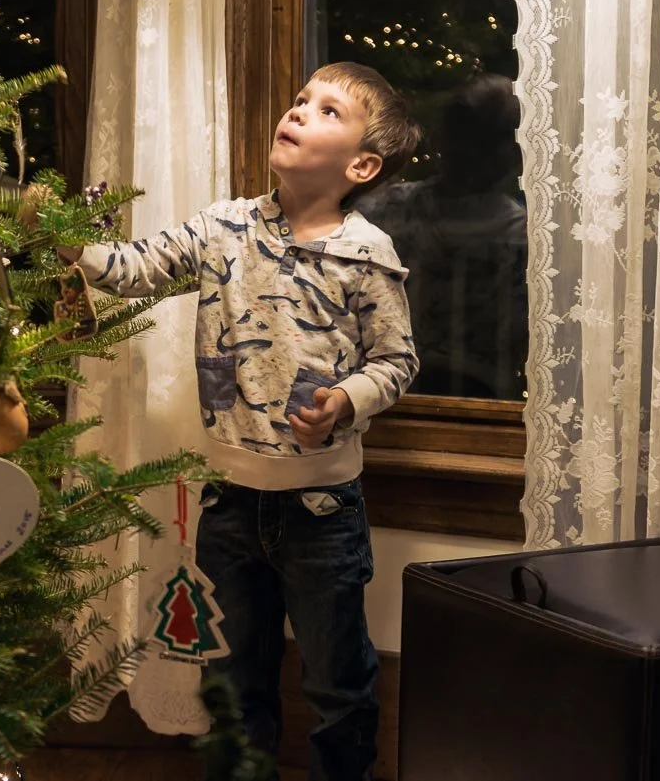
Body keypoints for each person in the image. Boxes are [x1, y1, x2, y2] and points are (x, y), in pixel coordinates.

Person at [58, 61, 420, 780]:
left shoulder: (366, 253)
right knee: (233, 685)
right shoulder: (222, 227)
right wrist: (70, 243)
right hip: (228, 504)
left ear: (362, 162)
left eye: (324, 110)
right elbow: (133, 268)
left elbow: (397, 360)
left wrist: (347, 399)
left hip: (322, 512)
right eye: (298, 101)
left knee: (337, 685)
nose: (296, 111)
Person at [351, 73, 527, 400]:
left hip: (486, 407)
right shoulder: (382, 211)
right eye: (467, 131)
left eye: (492, 138)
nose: (474, 152)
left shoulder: (525, 238)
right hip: (379, 398)